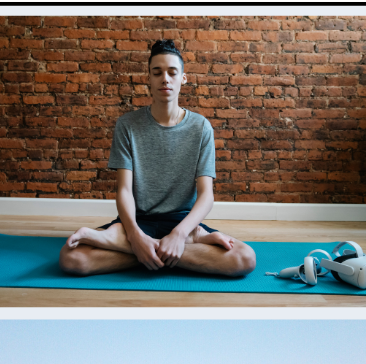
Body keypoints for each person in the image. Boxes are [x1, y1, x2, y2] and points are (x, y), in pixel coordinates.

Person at [59, 40, 257, 277]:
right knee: (72, 259)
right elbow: (124, 191)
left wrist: (179, 235)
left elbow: (206, 195)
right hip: (138, 220)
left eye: (172, 72)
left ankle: (145, 253)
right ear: (149, 79)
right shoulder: (128, 125)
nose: (165, 78)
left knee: (245, 259)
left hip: (183, 223)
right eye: (157, 72)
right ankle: (163, 251)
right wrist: (134, 236)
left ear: (183, 78)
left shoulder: (201, 127)